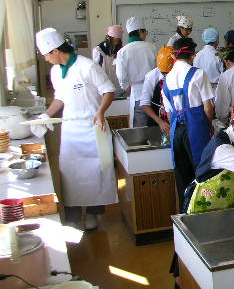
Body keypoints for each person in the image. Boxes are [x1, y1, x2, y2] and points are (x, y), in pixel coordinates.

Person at [35, 28, 117, 230]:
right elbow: (60, 98)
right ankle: (73, 216)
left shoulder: (87, 66)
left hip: (93, 128)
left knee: (96, 172)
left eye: (46, 55)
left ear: (55, 51)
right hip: (71, 130)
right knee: (70, 174)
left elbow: (108, 90)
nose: (45, 59)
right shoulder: (56, 72)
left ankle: (93, 214)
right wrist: (46, 114)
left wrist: (100, 112)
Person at [161, 38, 215, 209]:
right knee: (201, 171)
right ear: (193, 55)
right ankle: (202, 212)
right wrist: (209, 125)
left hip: (176, 131)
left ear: (174, 56)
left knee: (182, 174)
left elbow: (168, 112)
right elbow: (208, 107)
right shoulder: (198, 74)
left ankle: (185, 211)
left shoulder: (167, 78)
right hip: (196, 128)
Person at [115, 16, 157, 127]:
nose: (146, 35)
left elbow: (121, 76)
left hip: (137, 94)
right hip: (154, 93)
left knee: (140, 129)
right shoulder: (151, 47)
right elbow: (157, 70)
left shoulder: (123, 52)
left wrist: (126, 87)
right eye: (145, 32)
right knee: (155, 127)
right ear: (139, 31)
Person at [140, 46, 174, 134]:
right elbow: (144, 103)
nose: (166, 75)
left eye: (168, 72)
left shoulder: (179, 74)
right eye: (163, 73)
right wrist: (160, 122)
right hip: (156, 119)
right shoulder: (151, 76)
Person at [92, 25, 123, 94]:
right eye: (115, 40)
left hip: (117, 82)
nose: (116, 43)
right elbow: (97, 70)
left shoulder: (120, 50)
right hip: (105, 83)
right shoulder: (98, 50)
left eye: (118, 40)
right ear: (109, 38)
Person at [194, 27, 225, 95]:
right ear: (217, 41)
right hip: (216, 90)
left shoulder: (197, 55)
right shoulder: (218, 56)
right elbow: (224, 75)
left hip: (201, 91)